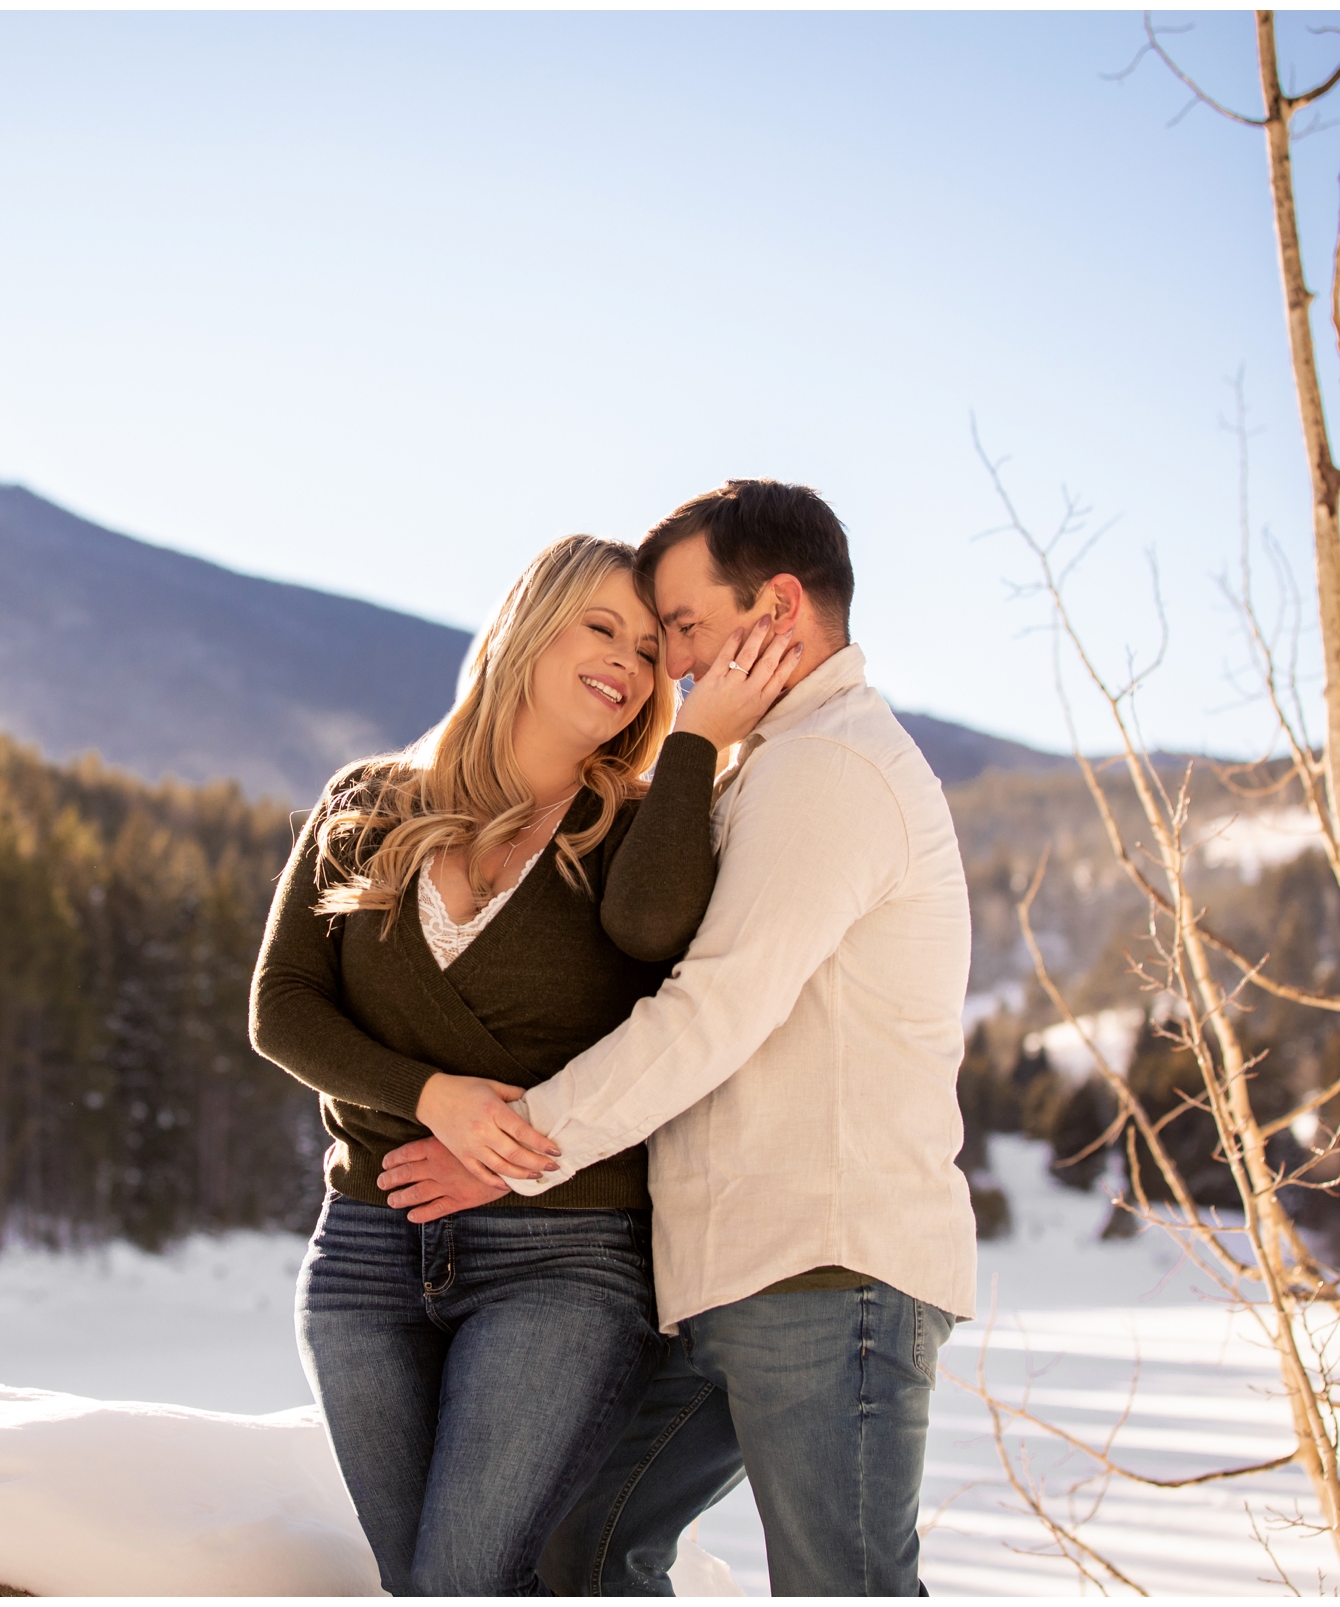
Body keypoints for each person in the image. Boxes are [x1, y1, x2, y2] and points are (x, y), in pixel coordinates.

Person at [378, 480, 977, 1597]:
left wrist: (514, 1141)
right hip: (729, 1273)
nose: (675, 667)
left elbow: (712, 1010)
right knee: (580, 1547)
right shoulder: (765, 759)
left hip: (825, 1268)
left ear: (781, 605)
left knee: (842, 1585)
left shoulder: (829, 767)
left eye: (686, 629)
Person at [248, 533, 797, 1596]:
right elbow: (281, 1008)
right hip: (366, 1251)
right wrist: (429, 1095)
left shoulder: (636, 825)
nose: (631, 665)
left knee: (461, 1578)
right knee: (429, 1585)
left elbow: (650, 935)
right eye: (603, 629)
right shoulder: (367, 801)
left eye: (649, 648)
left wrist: (689, 748)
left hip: (560, 1257)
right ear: (526, 625)